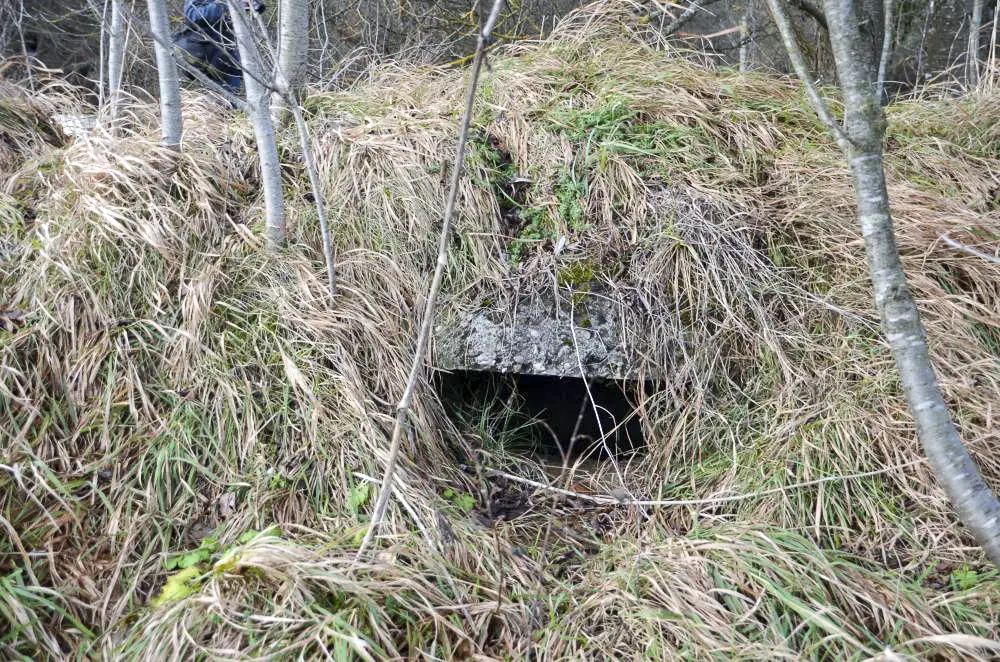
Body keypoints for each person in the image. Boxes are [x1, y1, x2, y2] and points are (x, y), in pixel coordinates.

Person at [172, 0, 263, 96]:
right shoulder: (221, 4)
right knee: (219, 100)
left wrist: (247, 5)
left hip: (225, 55)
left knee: (230, 97)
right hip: (203, 51)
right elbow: (192, 15)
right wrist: (226, 5)